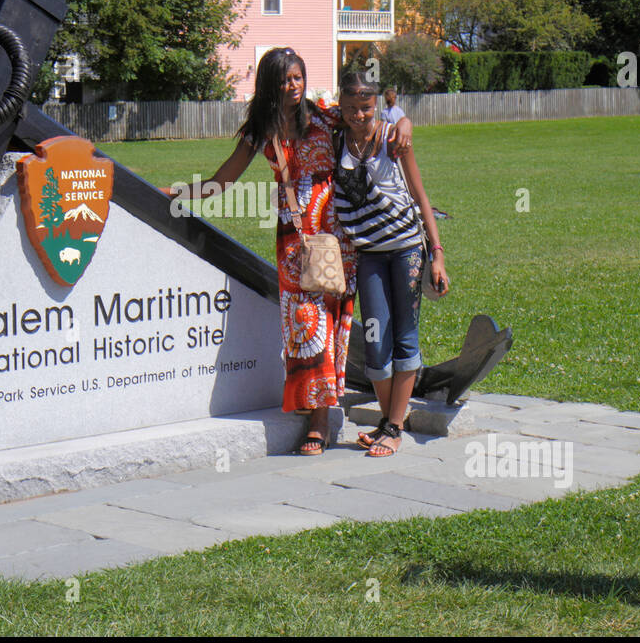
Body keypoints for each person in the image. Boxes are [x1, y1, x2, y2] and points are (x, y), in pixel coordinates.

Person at [164, 47, 411, 455]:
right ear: (269, 85)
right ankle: (315, 412)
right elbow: (221, 181)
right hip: (295, 239)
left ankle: (322, 420)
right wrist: (173, 193)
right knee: (304, 326)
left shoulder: (326, 117)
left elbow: (371, 114)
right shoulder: (260, 130)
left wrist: (403, 120)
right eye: (284, 80)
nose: (292, 86)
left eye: (297, 77)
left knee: (332, 327)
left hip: (337, 236)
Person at [334, 72, 448, 457]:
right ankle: (389, 422)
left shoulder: (393, 140)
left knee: (404, 335)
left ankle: (394, 426)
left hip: (406, 250)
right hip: (368, 255)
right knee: (374, 338)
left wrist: (437, 254)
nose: (357, 115)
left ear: (377, 106)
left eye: (365, 107)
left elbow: (420, 194)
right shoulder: (336, 140)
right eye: (349, 108)